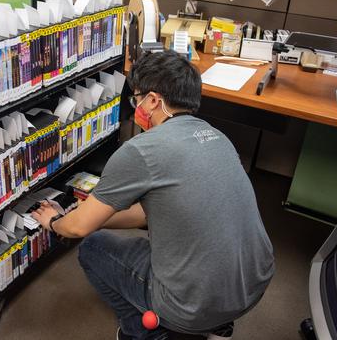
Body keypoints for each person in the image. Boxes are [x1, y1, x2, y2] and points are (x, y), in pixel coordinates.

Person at [32, 50, 274, 340]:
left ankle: (145, 332)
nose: (136, 106)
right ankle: (217, 322)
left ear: (154, 100)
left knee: (92, 248)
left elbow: (78, 228)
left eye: (137, 98)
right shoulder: (218, 136)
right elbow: (152, 212)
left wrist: (55, 221)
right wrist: (100, 217)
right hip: (254, 285)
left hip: (191, 304)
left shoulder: (141, 150)